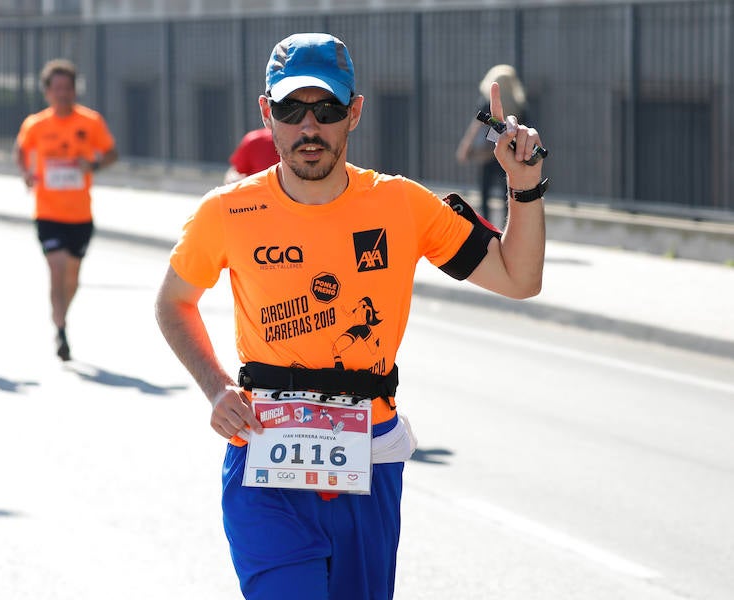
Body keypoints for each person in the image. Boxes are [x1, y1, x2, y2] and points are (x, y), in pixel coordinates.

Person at [155, 33, 547, 599]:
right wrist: (217, 389)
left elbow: (519, 278)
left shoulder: (401, 204)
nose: (308, 127)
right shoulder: (227, 211)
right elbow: (173, 301)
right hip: (266, 461)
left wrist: (525, 186)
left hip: (369, 458)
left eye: (327, 109)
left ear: (354, 113)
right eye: (291, 109)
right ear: (266, 112)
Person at [14, 58, 118, 361]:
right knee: (56, 268)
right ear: (47, 92)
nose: (63, 94)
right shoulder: (36, 125)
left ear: (75, 90)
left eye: (68, 88)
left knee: (72, 276)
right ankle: (60, 328)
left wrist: (94, 164)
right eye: (57, 88)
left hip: (80, 215)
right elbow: (21, 151)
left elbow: (112, 153)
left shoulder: (90, 122)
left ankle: (62, 317)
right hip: (47, 212)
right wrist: (26, 173)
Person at [456, 64, 529, 224]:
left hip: (487, 152)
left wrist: (465, 147)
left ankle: (487, 227)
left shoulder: (487, 102)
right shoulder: (520, 105)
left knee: (484, 193)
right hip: (509, 154)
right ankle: (506, 226)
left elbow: (476, 126)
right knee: (508, 194)